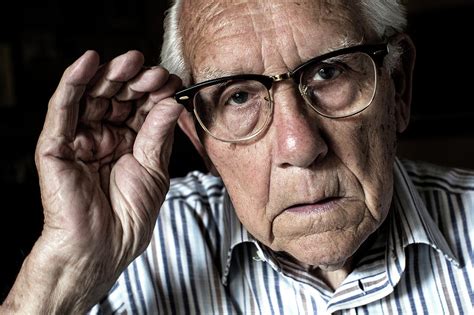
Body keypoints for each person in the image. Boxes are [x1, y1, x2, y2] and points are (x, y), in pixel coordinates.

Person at [1, 0, 473, 313]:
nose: (300, 147)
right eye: (239, 97)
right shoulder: (129, 255)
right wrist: (68, 269)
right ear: (196, 135)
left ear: (399, 86)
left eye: (329, 71)